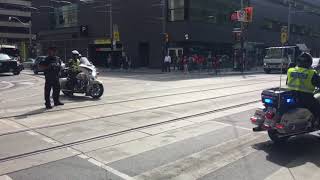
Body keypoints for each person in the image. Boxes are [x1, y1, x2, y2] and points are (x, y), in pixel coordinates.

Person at [287, 52, 320, 123]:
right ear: (309, 63)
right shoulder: (311, 73)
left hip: (292, 96)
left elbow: (287, 82)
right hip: (306, 98)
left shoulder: (290, 70)